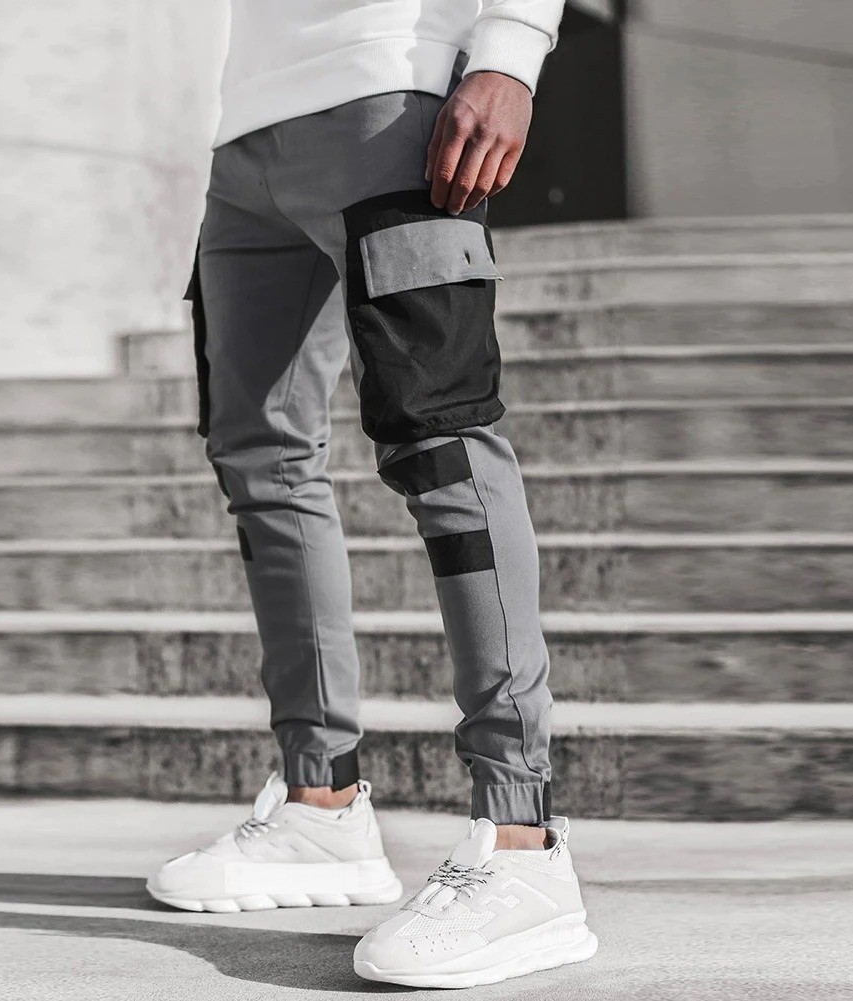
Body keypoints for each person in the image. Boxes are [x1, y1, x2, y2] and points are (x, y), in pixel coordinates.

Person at [147, 0, 598, 987]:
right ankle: (320, 808)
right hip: (245, 134)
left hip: (390, 96)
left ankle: (521, 844)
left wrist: (509, 55)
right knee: (257, 453)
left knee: (441, 441)